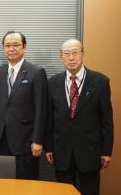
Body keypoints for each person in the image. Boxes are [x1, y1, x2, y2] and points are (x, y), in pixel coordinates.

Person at [45, 39, 113, 195]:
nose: (71, 58)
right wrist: (49, 147)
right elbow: (50, 118)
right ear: (61, 57)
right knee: (63, 191)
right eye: (67, 54)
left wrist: (106, 151)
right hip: (62, 151)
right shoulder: (53, 82)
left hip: (90, 151)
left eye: (75, 53)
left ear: (83, 54)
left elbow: (106, 121)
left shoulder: (100, 81)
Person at [0, 31, 48, 179]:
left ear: (24, 47)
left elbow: (42, 109)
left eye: (15, 45)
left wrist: (38, 140)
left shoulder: (36, 72)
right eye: (7, 45)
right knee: (2, 184)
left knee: (26, 184)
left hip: (26, 141)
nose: (11, 49)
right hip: (1, 140)